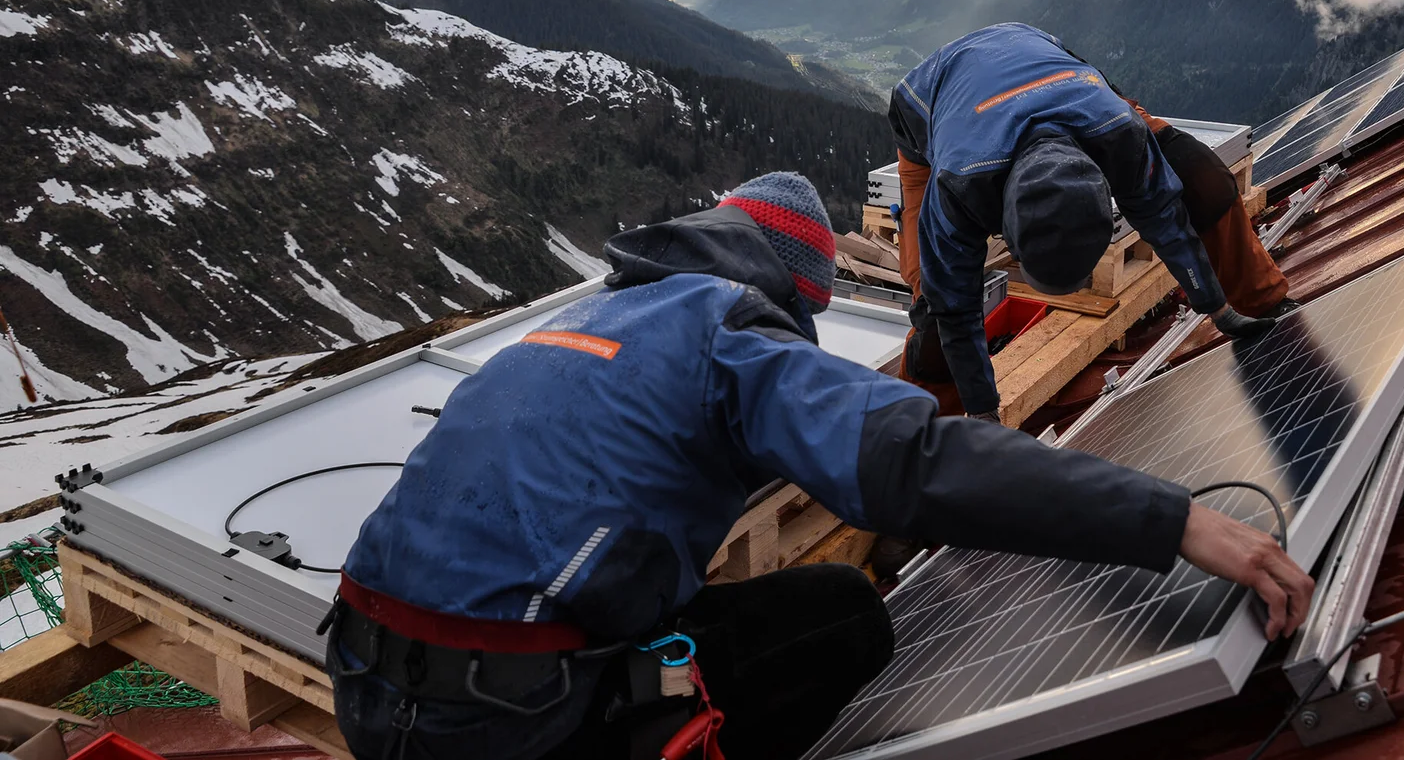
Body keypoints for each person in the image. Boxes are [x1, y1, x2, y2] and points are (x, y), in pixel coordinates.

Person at [326, 172, 1313, 760]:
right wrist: (1174, 520)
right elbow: (918, 457)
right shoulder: (727, 334)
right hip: (503, 723)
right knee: (839, 608)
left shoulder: (580, 322)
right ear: (787, 298)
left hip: (362, 683)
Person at [890, 23, 1294, 421]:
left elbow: (1162, 213)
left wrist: (1217, 306)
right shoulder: (960, 184)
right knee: (933, 305)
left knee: (1203, 181)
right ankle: (926, 432)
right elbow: (954, 308)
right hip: (933, 97)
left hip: (1051, 71)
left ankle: (1264, 301)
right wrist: (983, 412)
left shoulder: (1117, 134)